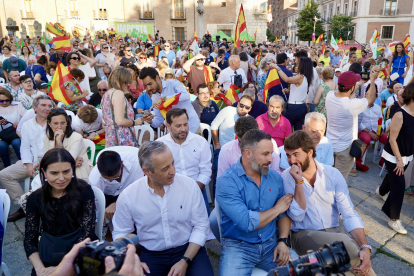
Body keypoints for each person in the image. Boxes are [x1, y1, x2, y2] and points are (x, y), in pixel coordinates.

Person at [112, 141, 214, 276]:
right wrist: (132, 259)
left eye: (172, 163)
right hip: (150, 254)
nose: (173, 171)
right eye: (165, 168)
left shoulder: (189, 186)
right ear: (147, 172)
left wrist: (185, 261)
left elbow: (201, 225)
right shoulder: (129, 196)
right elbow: (121, 233)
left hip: (187, 248)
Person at [282, 131, 375, 276]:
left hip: (332, 234)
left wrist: (365, 247)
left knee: (350, 269)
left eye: (296, 154)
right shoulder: (286, 178)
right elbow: (297, 216)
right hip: (303, 235)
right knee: (345, 244)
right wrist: (298, 182)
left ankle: (358, 263)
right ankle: (356, 261)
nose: (291, 160)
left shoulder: (332, 174)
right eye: (288, 155)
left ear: (310, 152)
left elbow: (349, 214)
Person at [216, 129, 297, 275]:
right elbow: (247, 223)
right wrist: (277, 209)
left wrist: (283, 241)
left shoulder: (274, 177)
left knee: (305, 270)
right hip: (238, 247)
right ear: (248, 153)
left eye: (271, 153)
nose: (271, 159)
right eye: (265, 154)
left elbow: (283, 214)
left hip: (272, 244)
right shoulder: (227, 182)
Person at [24, 148, 97, 276]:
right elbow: (30, 238)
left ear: (73, 169)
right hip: (50, 252)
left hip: (81, 250)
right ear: (44, 172)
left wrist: (61, 267)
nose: (61, 178)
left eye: (66, 171)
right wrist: (40, 269)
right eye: (54, 173)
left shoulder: (84, 190)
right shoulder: (35, 198)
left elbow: (88, 231)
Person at [325, 70, 379, 180]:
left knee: (328, 179)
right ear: (352, 88)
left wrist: (360, 83)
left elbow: (346, 91)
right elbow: (371, 98)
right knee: (339, 182)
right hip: (344, 149)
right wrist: (372, 80)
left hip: (330, 146)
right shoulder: (352, 105)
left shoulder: (329, 96)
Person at [157, 108, 212, 214]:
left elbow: (205, 171)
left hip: (197, 189)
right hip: (170, 192)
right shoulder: (160, 145)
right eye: (178, 126)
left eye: (185, 124)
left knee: (203, 227)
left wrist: (194, 190)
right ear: (168, 127)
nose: (183, 129)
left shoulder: (200, 142)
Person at [376, 82, 414, 234]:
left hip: (407, 155)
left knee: (392, 180)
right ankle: (394, 219)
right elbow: (392, 139)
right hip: (393, 156)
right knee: (399, 186)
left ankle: (381, 191)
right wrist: (398, 159)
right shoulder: (399, 114)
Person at [89, 150, 144, 230]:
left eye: (115, 177)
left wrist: (117, 204)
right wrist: (100, 220)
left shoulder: (136, 164)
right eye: (106, 179)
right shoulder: (94, 178)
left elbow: (138, 191)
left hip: (131, 194)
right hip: (106, 196)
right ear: (97, 165)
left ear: (122, 164)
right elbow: (97, 201)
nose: (111, 181)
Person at [139, 67, 200, 133]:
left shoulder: (173, 83)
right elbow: (159, 120)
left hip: (192, 127)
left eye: (150, 84)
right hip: (174, 131)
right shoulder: (154, 96)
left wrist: (164, 98)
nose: (148, 88)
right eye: (146, 86)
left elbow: (186, 95)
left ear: (157, 77)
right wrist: (151, 121)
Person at [102, 67, 150, 147]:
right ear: (116, 79)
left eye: (128, 81)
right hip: (122, 140)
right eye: (125, 81)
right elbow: (120, 121)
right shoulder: (118, 93)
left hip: (111, 138)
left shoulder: (106, 94)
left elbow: (104, 122)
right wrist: (135, 122)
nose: (128, 84)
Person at [43, 108, 93, 182]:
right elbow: (46, 161)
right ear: (49, 124)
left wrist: (59, 143)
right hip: (56, 173)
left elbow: (65, 162)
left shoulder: (77, 137)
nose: (59, 126)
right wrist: (72, 163)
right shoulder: (46, 138)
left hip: (77, 174)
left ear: (67, 123)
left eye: (62, 123)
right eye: (55, 123)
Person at [272, 57, 313, 130]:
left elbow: (286, 79)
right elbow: (300, 90)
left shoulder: (300, 77)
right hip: (302, 106)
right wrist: (289, 91)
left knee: (286, 129)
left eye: (298, 63)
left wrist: (277, 67)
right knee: (298, 132)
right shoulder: (306, 77)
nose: (297, 64)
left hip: (294, 107)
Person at [0, 87, 26, 167]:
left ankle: (24, 164)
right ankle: (7, 166)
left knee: (16, 143)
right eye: (1, 101)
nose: (4, 102)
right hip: (1, 136)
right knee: (1, 145)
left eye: (7, 100)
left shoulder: (17, 105)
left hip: (15, 134)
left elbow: (28, 117)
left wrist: (20, 122)